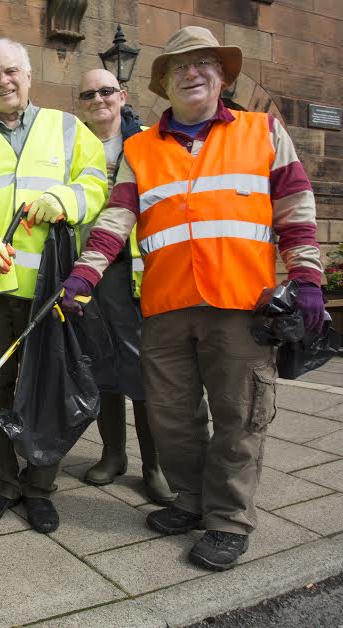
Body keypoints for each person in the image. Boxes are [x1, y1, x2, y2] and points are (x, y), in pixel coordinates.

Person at [61, 26, 326, 571]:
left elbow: (295, 208)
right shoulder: (140, 148)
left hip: (241, 306)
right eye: (179, 66)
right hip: (165, 306)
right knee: (171, 416)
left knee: (239, 415)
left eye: (203, 63)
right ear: (165, 82)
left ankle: (228, 519)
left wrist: (307, 280)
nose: (191, 72)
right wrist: (84, 275)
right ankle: (191, 499)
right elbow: (117, 220)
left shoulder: (263, 130)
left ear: (222, 76)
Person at [0, 38, 108, 533]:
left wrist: (66, 198)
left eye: (11, 72)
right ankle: (1, 482)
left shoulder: (68, 129)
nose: (4, 82)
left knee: (46, 387)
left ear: (29, 76)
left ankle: (39, 486)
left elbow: (97, 183)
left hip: (48, 289)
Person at [73, 68, 174, 505]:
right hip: (87, 270)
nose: (99, 99)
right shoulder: (73, 146)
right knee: (100, 365)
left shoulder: (149, 141)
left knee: (140, 367)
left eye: (107, 91)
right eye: (89, 93)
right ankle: (113, 455)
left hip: (132, 270)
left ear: (123, 95)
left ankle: (156, 466)